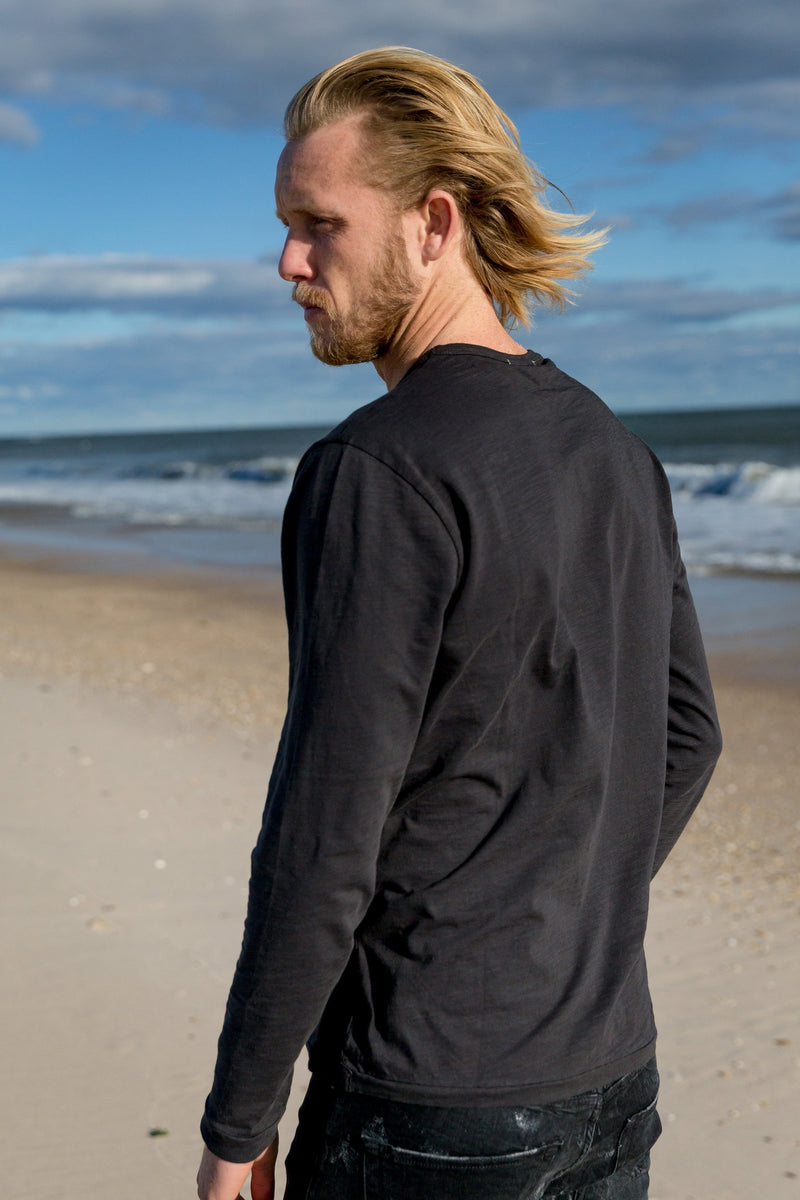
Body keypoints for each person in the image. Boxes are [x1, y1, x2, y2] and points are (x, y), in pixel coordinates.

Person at [197, 46, 722, 1200]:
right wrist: (552, 923)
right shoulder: (613, 450)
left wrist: (238, 1125)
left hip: (428, 1112)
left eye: (317, 224)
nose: (286, 261)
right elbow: (685, 738)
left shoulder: (372, 471)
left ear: (432, 223)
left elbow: (324, 840)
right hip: (605, 1079)